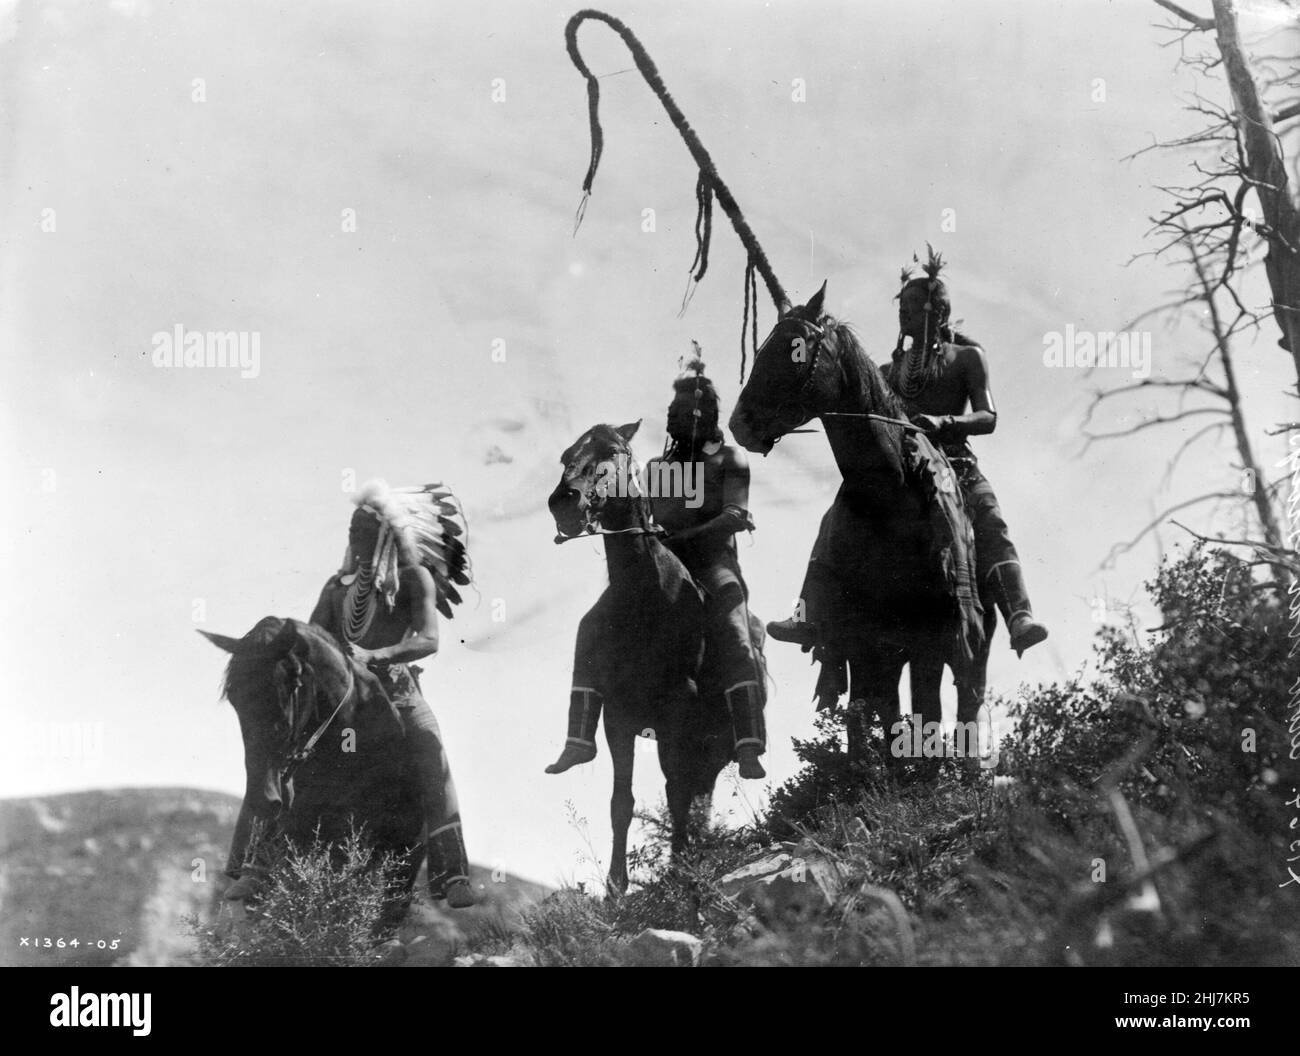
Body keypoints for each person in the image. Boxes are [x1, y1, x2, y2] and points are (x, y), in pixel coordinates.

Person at [768, 247, 1048, 656]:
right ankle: (808, 615)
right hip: (900, 468)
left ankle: (1018, 614)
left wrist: (944, 423)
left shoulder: (967, 358)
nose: (904, 314)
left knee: (990, 520)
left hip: (955, 465)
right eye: (902, 307)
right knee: (835, 517)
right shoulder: (885, 373)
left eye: (914, 307)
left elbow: (988, 417)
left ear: (939, 312)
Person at [546, 354, 769, 779]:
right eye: (669, 414)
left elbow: (735, 515)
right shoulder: (657, 468)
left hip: (712, 565)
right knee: (592, 623)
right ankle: (579, 737)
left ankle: (747, 742)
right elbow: (645, 515)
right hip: (661, 567)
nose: (672, 422)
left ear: (704, 416)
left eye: (680, 414)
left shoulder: (729, 459)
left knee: (735, 632)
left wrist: (680, 537)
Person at [309, 480, 475, 907]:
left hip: (400, 694)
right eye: (352, 535)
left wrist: (375, 653)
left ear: (386, 537)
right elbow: (315, 640)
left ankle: (452, 873)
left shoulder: (414, 579)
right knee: (291, 755)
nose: (357, 543)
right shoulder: (335, 588)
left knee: (430, 751)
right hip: (345, 703)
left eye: (366, 535)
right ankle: (259, 862)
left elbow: (428, 639)